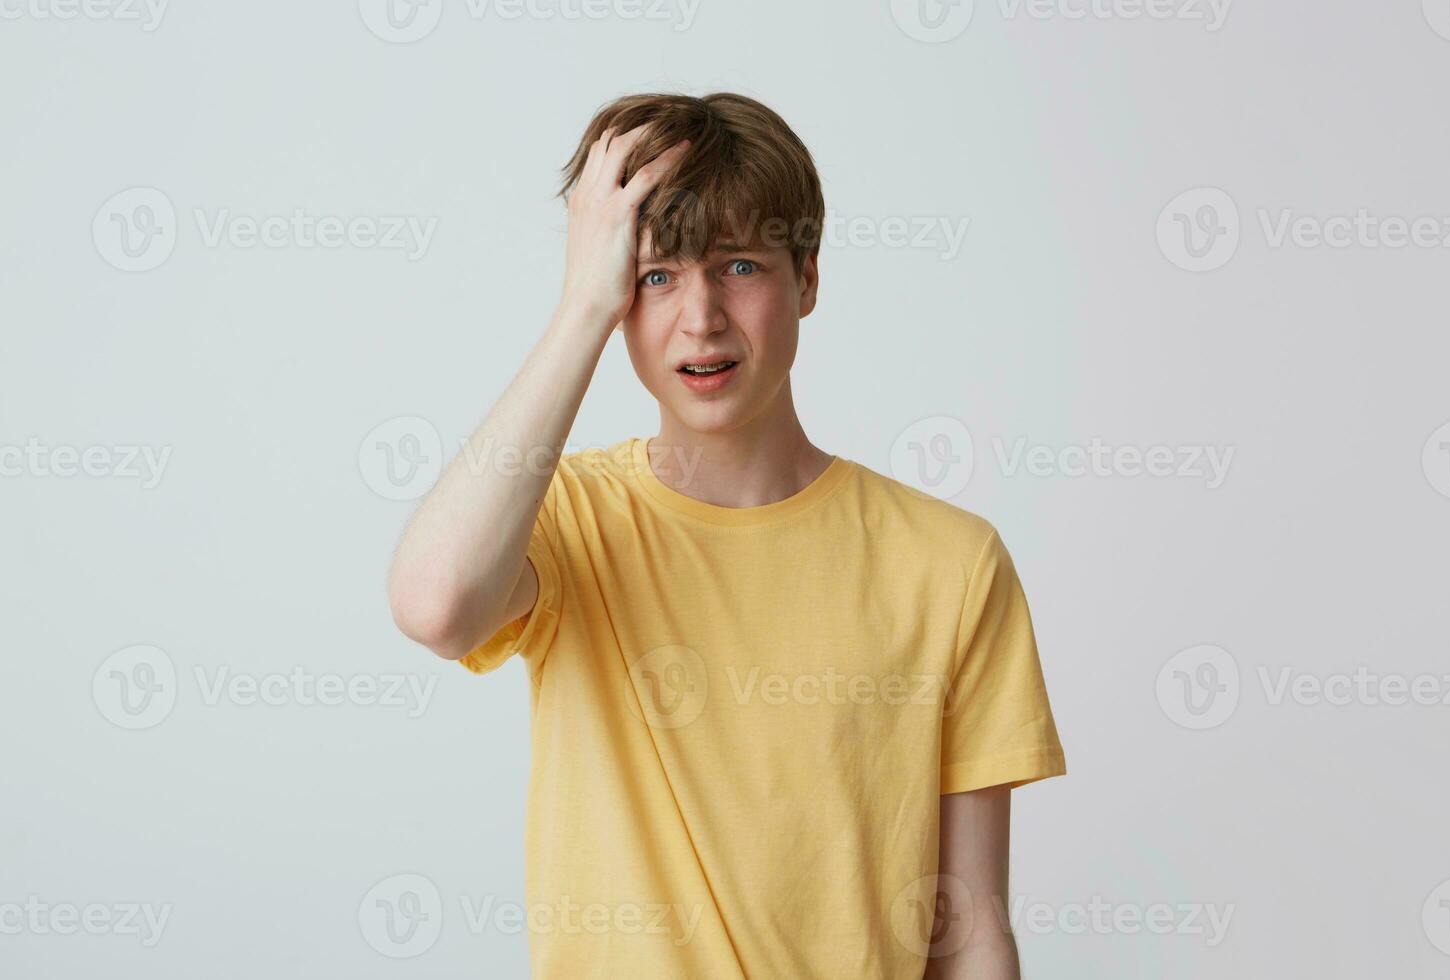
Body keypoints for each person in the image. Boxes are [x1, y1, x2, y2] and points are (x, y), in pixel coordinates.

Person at [387, 91, 1066, 979]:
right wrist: (581, 309)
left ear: (808, 277)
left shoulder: (951, 563)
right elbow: (437, 607)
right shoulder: (571, 522)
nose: (700, 316)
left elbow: (969, 929)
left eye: (739, 266)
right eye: (656, 276)